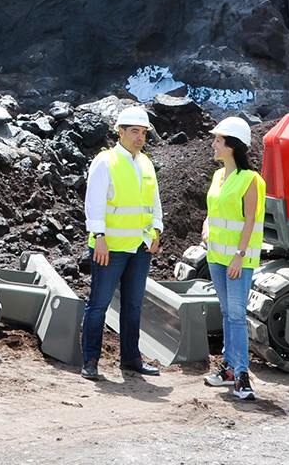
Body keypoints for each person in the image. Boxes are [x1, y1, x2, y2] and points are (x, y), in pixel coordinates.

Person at [80, 104, 163, 380]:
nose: (140, 137)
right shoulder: (106, 161)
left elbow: (154, 203)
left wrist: (157, 231)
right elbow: (94, 203)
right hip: (111, 247)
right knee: (99, 304)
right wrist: (99, 237)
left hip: (139, 247)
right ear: (121, 132)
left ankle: (130, 359)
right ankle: (91, 360)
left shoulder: (146, 163)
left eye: (144, 133)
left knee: (133, 305)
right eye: (135, 131)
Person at [202, 115, 263, 401]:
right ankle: (228, 368)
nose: (213, 144)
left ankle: (242, 374)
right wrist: (205, 227)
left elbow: (250, 220)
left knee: (237, 315)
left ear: (232, 146)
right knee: (228, 313)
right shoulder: (218, 176)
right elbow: (213, 211)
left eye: (218, 140)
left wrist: (239, 256)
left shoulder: (251, 180)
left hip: (238, 260)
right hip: (216, 255)